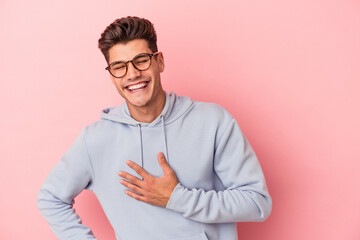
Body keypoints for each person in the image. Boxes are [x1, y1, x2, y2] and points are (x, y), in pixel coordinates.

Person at [37, 16, 272, 240]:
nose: (132, 74)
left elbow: (257, 202)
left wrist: (177, 198)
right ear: (112, 75)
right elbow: (50, 198)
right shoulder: (95, 139)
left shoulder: (213, 122)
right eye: (119, 66)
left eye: (141, 60)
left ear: (159, 61)